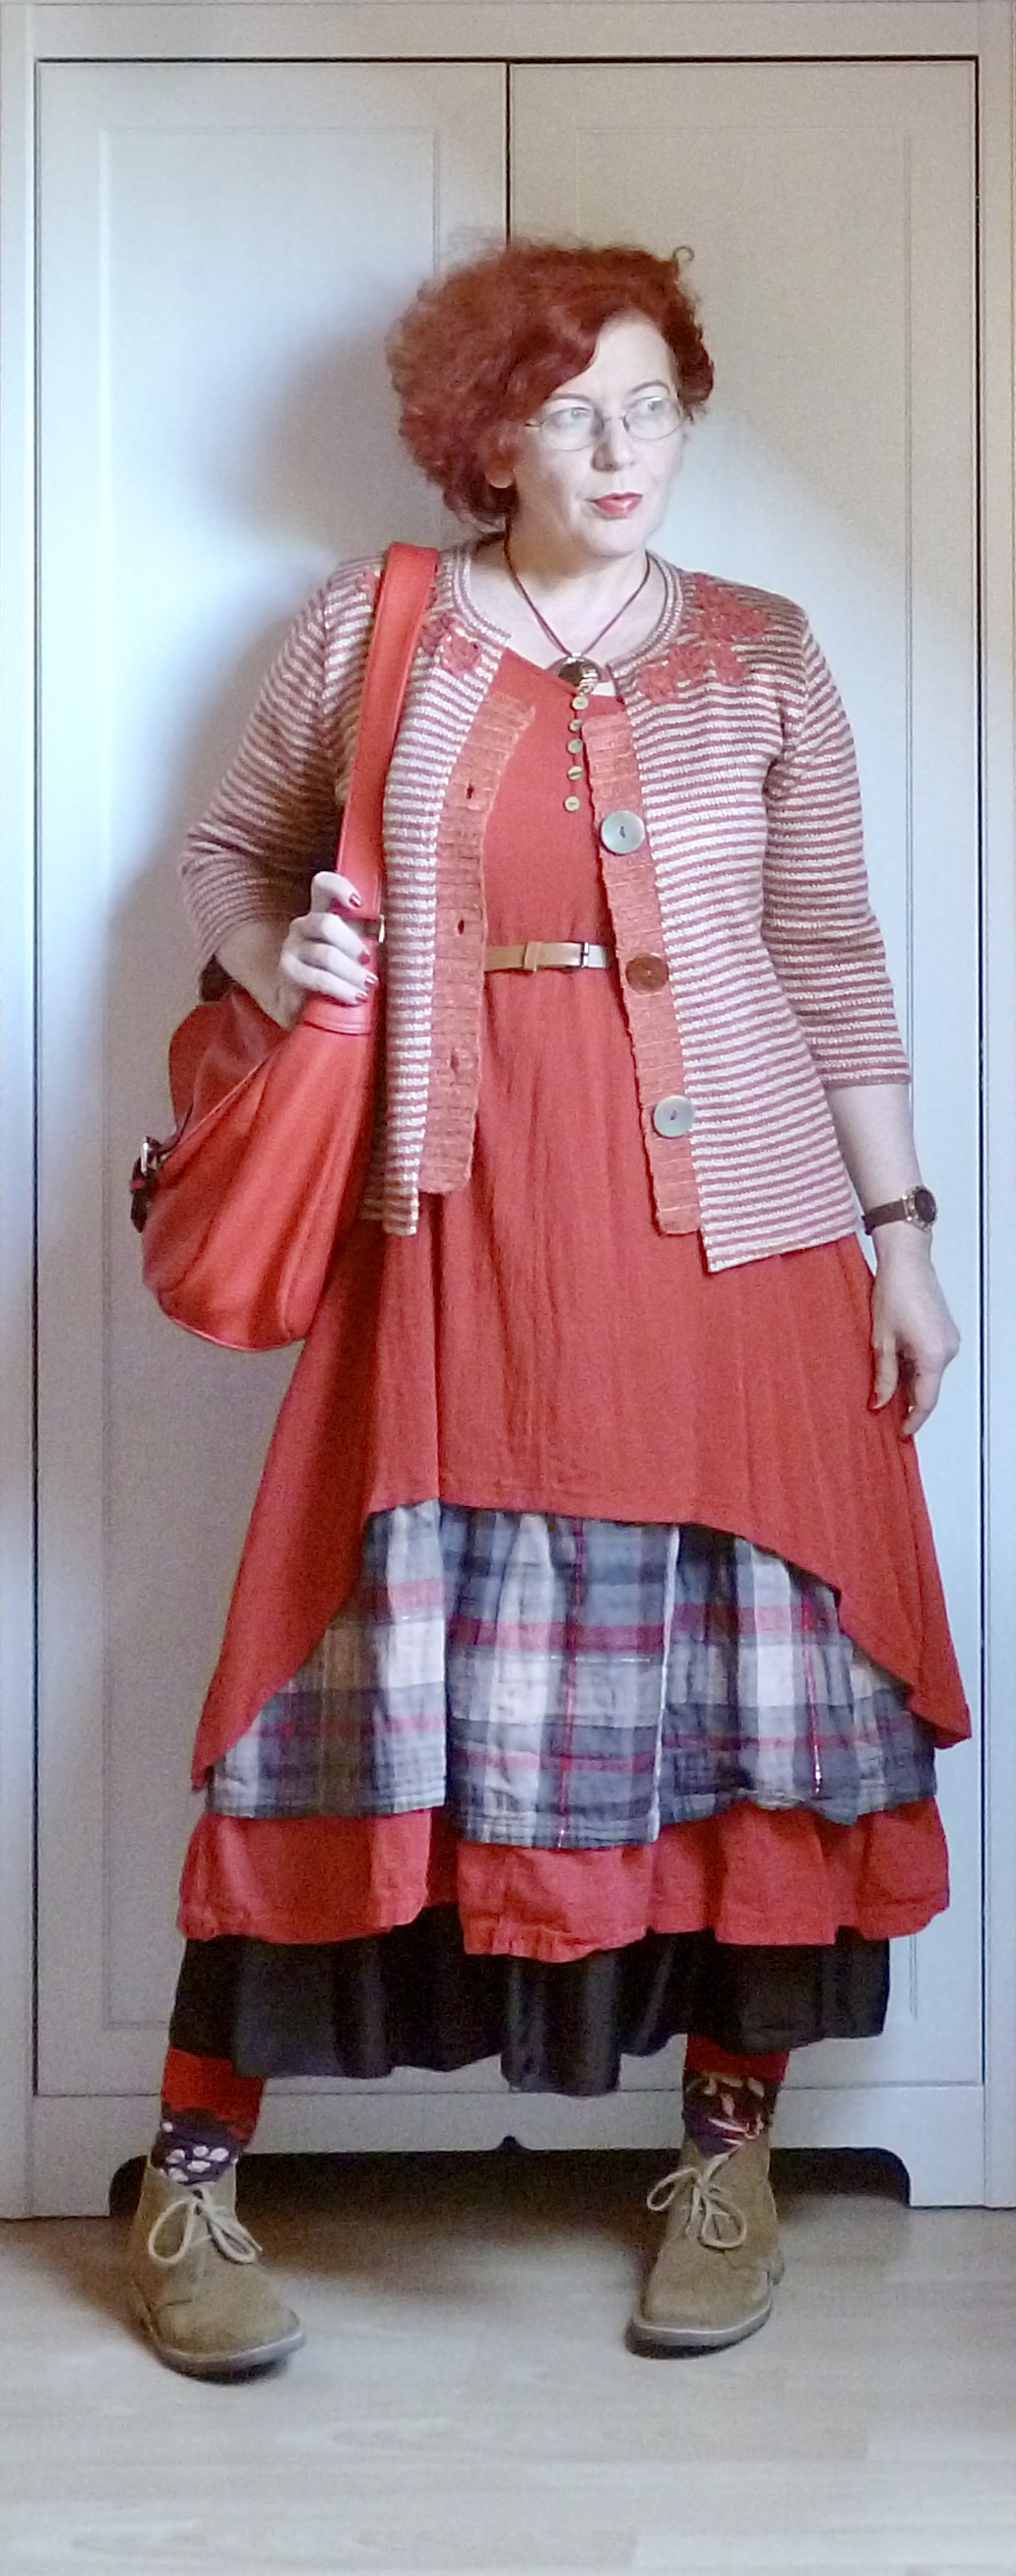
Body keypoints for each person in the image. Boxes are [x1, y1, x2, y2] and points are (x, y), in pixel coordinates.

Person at [126, 238, 967, 2376]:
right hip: (456, 1223)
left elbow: (831, 954)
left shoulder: (764, 652)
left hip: (743, 1246)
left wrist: (902, 1234)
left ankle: (728, 2152)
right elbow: (228, 854)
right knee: (341, 1679)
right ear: (483, 438)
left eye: (652, 405)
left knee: (752, 1693)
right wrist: (277, 959)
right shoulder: (379, 625)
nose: (619, 448)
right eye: (569, 410)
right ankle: (191, 2171)